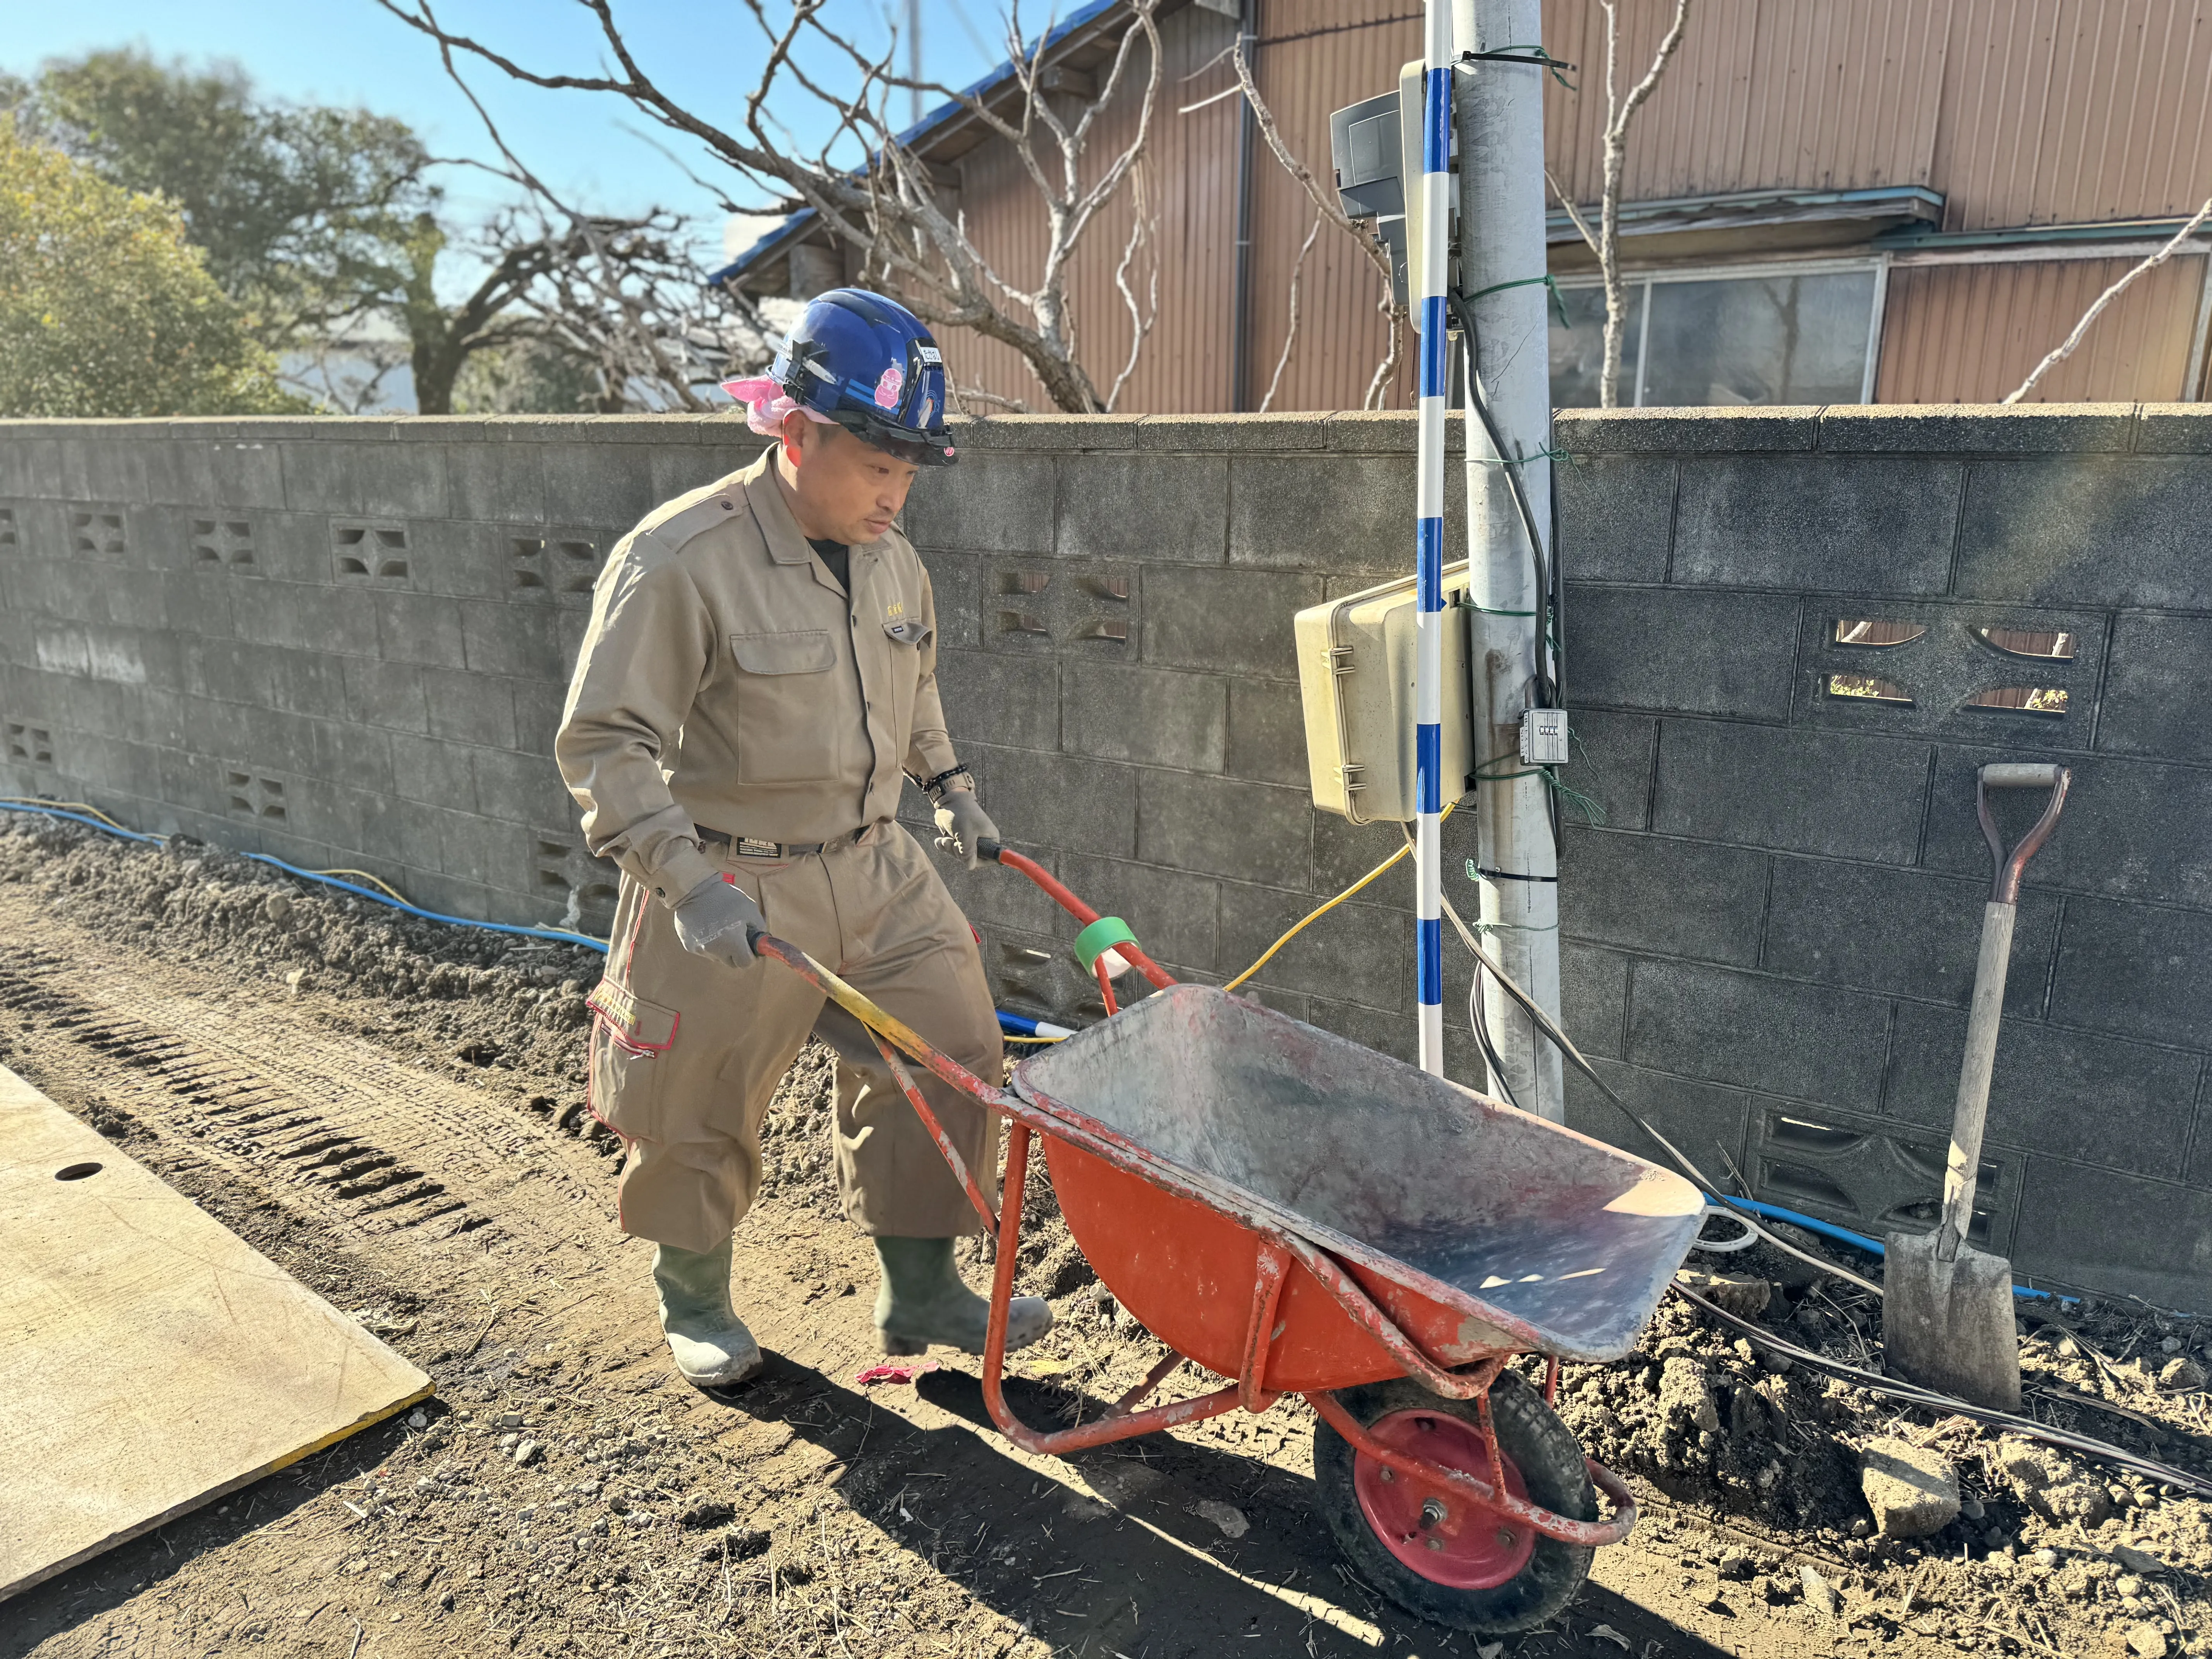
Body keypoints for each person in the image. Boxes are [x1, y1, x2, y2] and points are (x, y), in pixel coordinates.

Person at [555, 289, 1052, 1387]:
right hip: (733, 874)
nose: (897, 491)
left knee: (954, 1046)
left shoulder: (893, 561)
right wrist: (685, 882)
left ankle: (919, 1288)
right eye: (877, 463)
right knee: (700, 1093)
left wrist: (952, 786)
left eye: (911, 469)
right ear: (795, 430)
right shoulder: (683, 557)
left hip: (876, 861)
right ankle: (695, 1299)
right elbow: (605, 742)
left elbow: (913, 684)